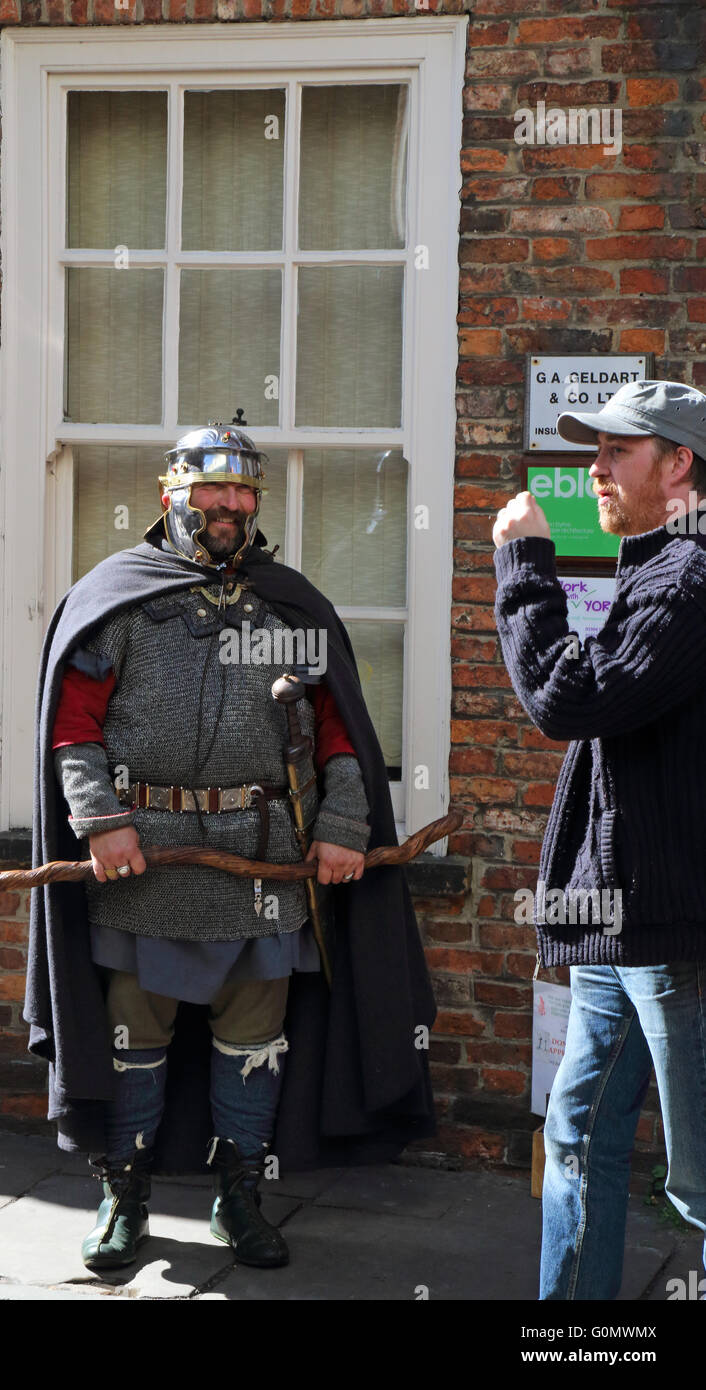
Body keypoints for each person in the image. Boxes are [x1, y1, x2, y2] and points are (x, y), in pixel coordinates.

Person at [23, 423, 438, 1277]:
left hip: (264, 854)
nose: (230, 506)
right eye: (213, 491)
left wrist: (342, 827)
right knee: (134, 1034)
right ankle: (124, 1198)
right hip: (147, 859)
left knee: (256, 1038)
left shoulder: (286, 605)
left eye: (245, 493)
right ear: (172, 494)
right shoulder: (118, 599)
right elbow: (72, 729)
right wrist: (100, 820)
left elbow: (339, 738)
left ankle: (241, 1195)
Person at [492, 379, 706, 1300]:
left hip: (678, 933)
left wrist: (526, 565)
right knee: (576, 1135)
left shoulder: (693, 578)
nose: (594, 470)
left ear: (679, 463)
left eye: (617, 452)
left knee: (699, 1182)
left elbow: (569, 699)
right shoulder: (657, 566)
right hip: (620, 923)